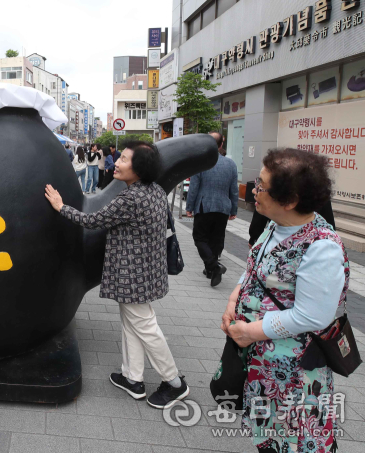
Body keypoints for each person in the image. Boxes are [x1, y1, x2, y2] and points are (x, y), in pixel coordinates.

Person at [221, 148, 348, 453]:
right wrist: (233, 298)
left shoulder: (322, 247)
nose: (254, 191)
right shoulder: (275, 224)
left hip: (293, 370)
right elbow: (255, 268)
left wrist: (250, 332)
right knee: (268, 435)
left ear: (289, 201)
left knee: (294, 440)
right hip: (263, 361)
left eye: (261, 186)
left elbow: (313, 316)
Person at [45, 141, 189, 409]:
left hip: (132, 276)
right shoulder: (154, 190)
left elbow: (92, 221)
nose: (118, 163)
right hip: (146, 272)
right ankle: (132, 378)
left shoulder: (129, 199)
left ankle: (174, 382)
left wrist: (60, 206)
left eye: (124, 159)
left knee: (145, 327)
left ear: (139, 168)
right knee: (132, 323)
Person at [186, 132, 238, 287]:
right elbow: (234, 190)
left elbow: (193, 188)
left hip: (204, 205)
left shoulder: (201, 163)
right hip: (223, 207)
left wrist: (189, 207)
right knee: (217, 238)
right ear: (221, 145)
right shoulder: (231, 164)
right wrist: (234, 209)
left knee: (200, 237)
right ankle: (210, 270)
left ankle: (214, 267)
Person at [249, 199, 336, 246]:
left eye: (262, 187)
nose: (255, 190)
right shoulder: (273, 227)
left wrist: (254, 237)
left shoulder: (324, 249)